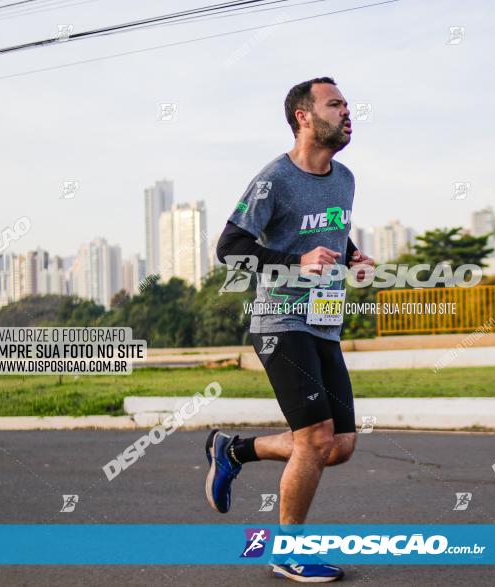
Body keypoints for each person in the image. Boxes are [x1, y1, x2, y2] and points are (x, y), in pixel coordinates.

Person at [206, 76, 374, 583]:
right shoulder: (273, 179)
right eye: (336, 104)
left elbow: (330, 232)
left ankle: (233, 449)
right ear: (304, 116)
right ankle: (287, 551)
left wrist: (351, 256)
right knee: (315, 437)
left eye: (348, 105)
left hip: (324, 324)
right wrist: (295, 264)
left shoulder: (344, 178)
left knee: (339, 445)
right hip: (279, 322)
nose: (348, 112)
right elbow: (230, 247)